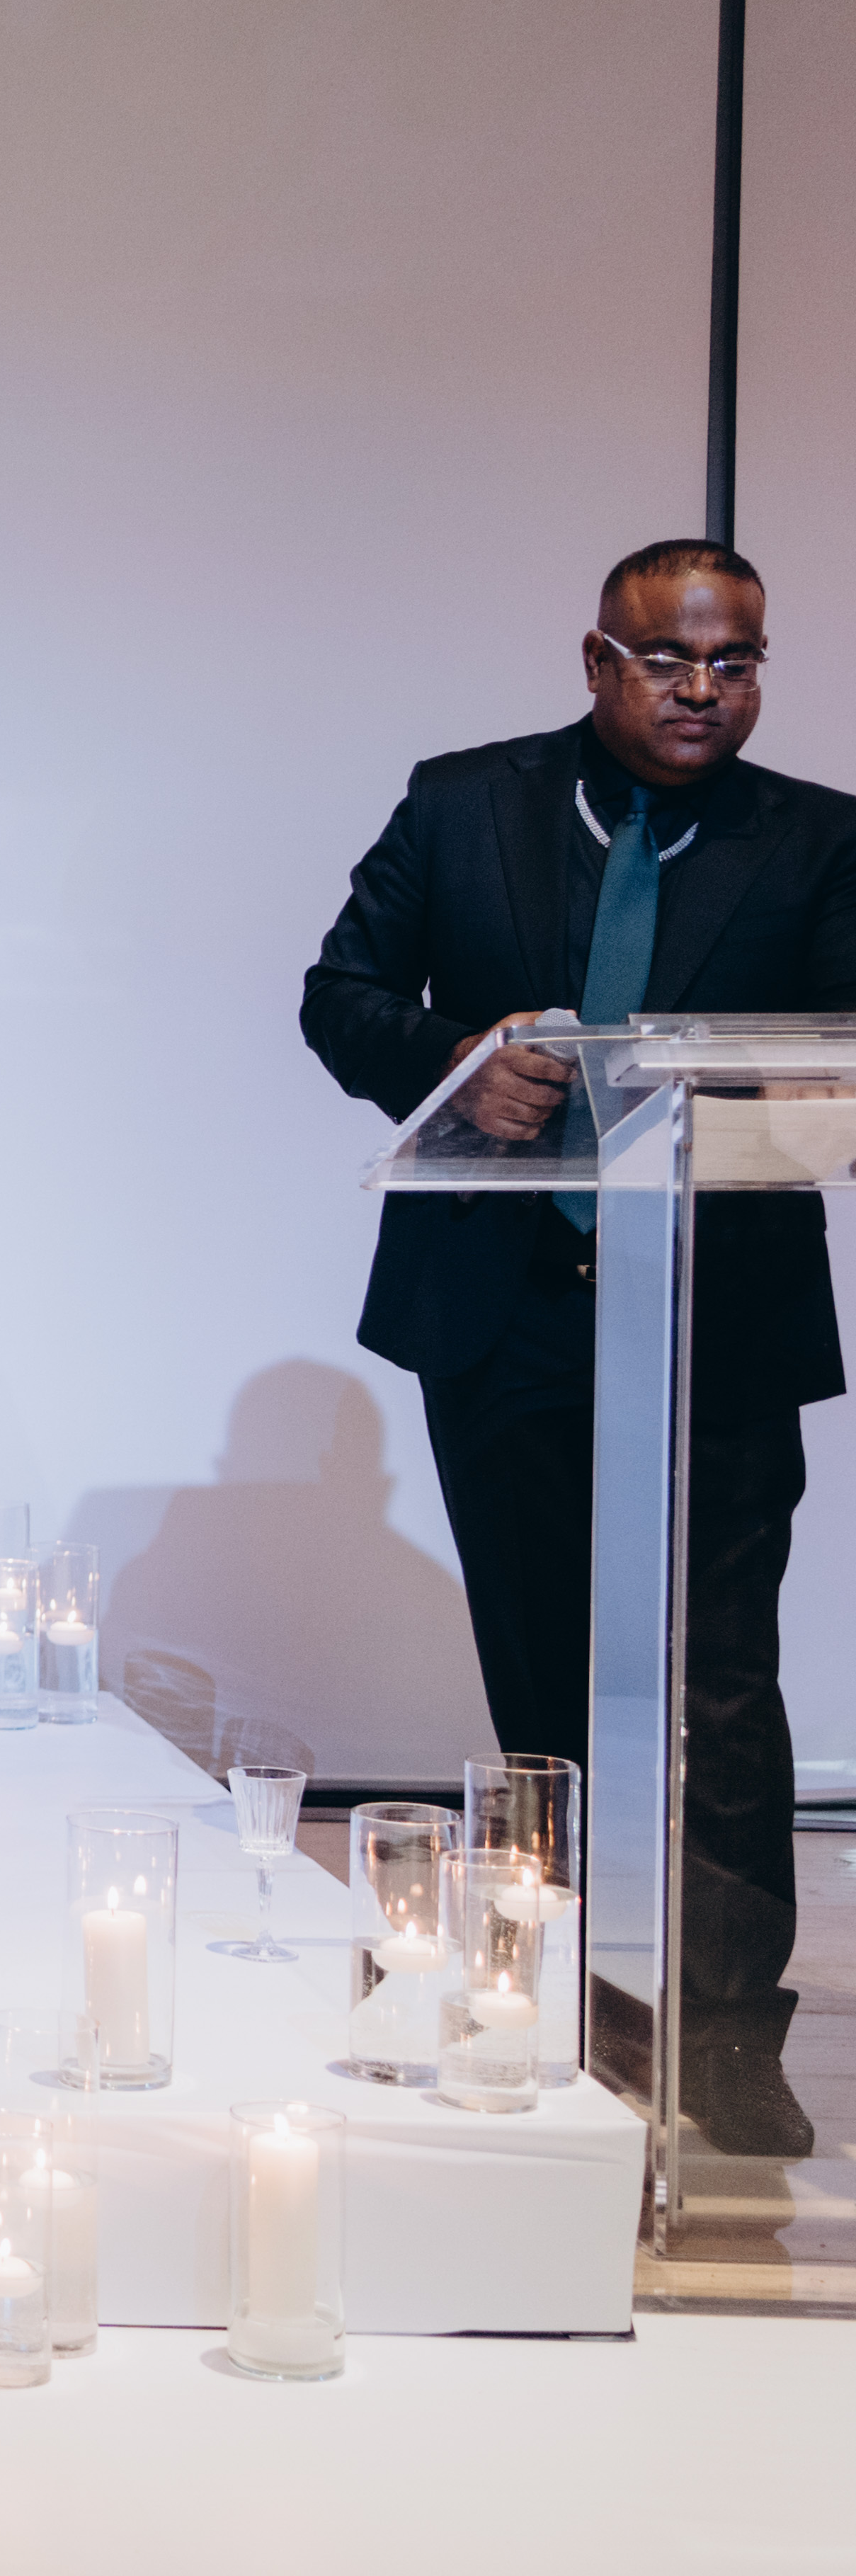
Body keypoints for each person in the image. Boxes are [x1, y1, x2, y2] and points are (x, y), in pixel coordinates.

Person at [302, 535, 856, 2158]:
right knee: (547, 1692)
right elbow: (340, 994)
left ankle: (727, 2044)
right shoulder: (463, 803)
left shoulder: (819, 838)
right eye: (670, 659)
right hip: (505, 1314)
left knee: (719, 1693)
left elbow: (843, 1051)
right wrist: (453, 1058)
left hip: (718, 1321)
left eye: (737, 663)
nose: (705, 690)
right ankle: (558, 2010)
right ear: (599, 659)